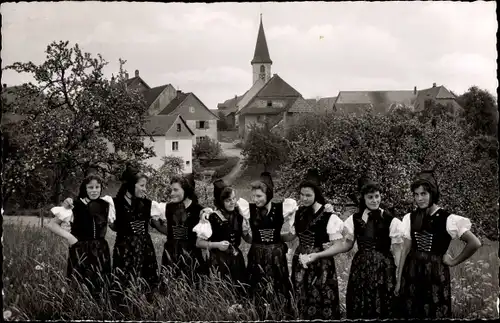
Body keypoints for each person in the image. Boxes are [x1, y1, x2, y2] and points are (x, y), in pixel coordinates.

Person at [304, 176, 404, 319]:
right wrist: (322, 254)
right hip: (360, 268)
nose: (375, 200)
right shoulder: (354, 219)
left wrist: (399, 276)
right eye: (370, 197)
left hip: (384, 268)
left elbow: (397, 250)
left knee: (382, 303)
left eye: (377, 196)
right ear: (363, 198)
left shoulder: (390, 220)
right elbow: (347, 245)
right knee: (360, 303)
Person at [396, 168, 482, 319]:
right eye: (416, 194)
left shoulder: (448, 219)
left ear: (432, 194)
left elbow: (474, 243)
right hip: (412, 273)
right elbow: (405, 250)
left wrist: (454, 261)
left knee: (434, 312)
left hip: (436, 273)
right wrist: (399, 280)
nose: (419, 198)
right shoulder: (410, 217)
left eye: (424, 194)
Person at [285, 169, 344, 319]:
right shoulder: (298, 213)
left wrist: (317, 255)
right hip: (300, 260)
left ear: (316, 195)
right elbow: (292, 236)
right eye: (302, 195)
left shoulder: (329, 216)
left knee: (322, 298)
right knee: (301, 296)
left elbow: (338, 246)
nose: (304, 198)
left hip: (321, 263)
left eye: (308, 195)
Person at [48, 169, 115, 299]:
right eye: (90, 187)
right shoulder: (75, 205)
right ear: (85, 188)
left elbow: (112, 223)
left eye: (97, 187)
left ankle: (99, 308)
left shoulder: (106, 204)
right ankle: (78, 308)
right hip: (80, 249)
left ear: (101, 188)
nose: (94, 190)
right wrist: (70, 237)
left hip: (101, 249)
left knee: (100, 283)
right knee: (79, 283)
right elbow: (52, 224)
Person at [244, 172, 298, 319]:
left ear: (268, 194)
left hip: (276, 255)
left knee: (278, 284)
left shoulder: (283, 208)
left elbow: (292, 233)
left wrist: (280, 238)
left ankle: (280, 314)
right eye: (253, 196)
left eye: (259, 196)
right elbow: (247, 236)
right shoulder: (248, 209)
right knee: (257, 284)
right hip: (257, 254)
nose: (255, 200)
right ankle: (258, 315)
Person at [193, 179, 250, 297]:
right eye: (228, 200)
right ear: (220, 201)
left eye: (234, 198)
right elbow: (199, 243)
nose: (232, 202)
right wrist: (217, 245)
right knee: (221, 293)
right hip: (218, 260)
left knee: (239, 293)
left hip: (236, 259)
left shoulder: (239, 216)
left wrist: (247, 231)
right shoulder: (211, 217)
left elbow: (246, 238)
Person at [150, 174, 208, 288]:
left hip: (190, 255)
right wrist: (156, 224)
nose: (172, 193)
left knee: (190, 285)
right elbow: (170, 232)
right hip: (171, 253)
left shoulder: (198, 210)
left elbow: (202, 237)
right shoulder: (169, 208)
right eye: (171, 189)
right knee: (170, 285)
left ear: (185, 190)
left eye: (176, 190)